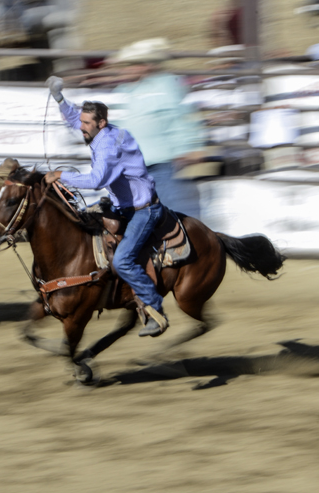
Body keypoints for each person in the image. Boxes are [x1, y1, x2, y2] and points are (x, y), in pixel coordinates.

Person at [44, 76, 171, 337]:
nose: (81, 128)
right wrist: (58, 96)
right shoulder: (103, 131)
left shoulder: (108, 147)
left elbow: (97, 180)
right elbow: (73, 117)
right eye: (82, 122)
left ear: (101, 123)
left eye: (87, 124)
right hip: (123, 205)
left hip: (142, 210)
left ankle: (154, 308)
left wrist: (60, 175)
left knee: (123, 260)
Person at [107, 38, 204, 218]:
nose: (125, 69)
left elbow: (181, 116)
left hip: (161, 164)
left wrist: (188, 146)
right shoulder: (123, 92)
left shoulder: (166, 86)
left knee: (174, 214)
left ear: (146, 65)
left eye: (131, 65)